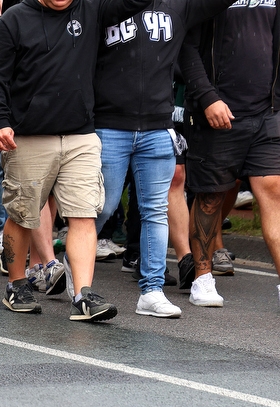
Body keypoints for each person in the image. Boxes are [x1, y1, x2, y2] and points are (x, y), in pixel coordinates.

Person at [0, 0, 153, 321]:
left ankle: (83, 294)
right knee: (22, 214)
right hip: (29, 136)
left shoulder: (92, 8)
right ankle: (16, 283)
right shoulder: (14, 19)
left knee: (83, 214)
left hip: (81, 135)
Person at [92, 0, 235, 318]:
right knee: (102, 206)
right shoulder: (104, 4)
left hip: (158, 125)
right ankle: (78, 274)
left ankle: (152, 291)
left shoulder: (179, 4)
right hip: (109, 123)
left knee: (155, 210)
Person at [180, 3, 280, 307]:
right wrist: (208, 98)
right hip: (219, 112)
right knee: (210, 197)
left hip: (267, 112)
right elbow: (184, 45)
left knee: (274, 190)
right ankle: (202, 278)